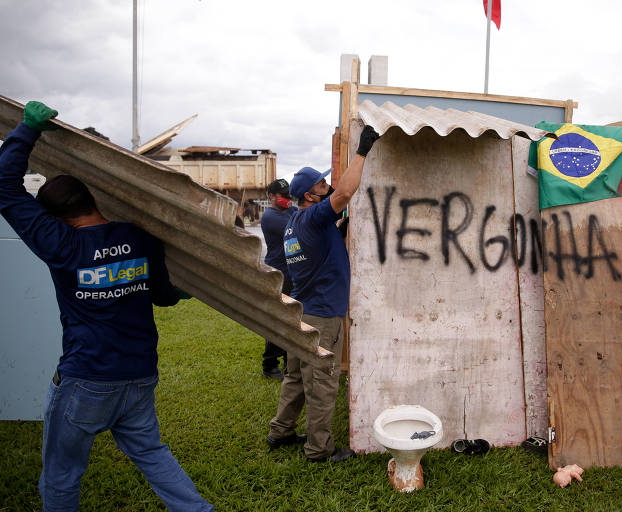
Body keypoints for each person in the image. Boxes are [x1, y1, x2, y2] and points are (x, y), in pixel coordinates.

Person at [0, 102, 214, 511]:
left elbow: (3, 187)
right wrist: (181, 291)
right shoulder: (138, 237)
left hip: (86, 380)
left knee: (62, 475)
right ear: (92, 198)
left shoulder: (62, 245)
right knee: (152, 455)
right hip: (138, 377)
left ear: (55, 218)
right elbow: (162, 294)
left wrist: (27, 130)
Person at [266, 125, 379, 463]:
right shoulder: (314, 217)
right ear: (309, 197)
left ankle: (281, 430)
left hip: (301, 310)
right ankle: (319, 448)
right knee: (323, 382)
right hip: (323, 316)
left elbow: (319, 243)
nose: (327, 185)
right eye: (320, 184)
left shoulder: (293, 223)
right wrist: (362, 152)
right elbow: (344, 195)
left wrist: (337, 230)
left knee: (296, 378)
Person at [258, 178, 297, 380]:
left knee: (291, 319)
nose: (287, 199)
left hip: (292, 272)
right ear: (271, 196)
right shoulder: (270, 217)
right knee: (279, 320)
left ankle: (287, 361)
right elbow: (300, 227)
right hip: (278, 274)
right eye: (282, 196)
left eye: (289, 195)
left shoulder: (289, 210)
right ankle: (269, 364)